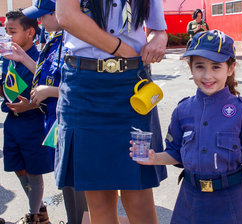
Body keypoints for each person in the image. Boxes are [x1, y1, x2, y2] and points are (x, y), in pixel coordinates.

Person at [130, 30, 242, 223]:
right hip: (190, 203)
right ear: (191, 68)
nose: (207, 75)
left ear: (230, 68)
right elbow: (176, 153)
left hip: (232, 204)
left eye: (216, 67)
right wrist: (153, 158)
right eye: (200, 66)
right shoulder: (183, 111)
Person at [55, 0, 168, 223]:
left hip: (132, 86)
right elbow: (66, 16)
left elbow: (157, 27)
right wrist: (123, 50)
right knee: (98, 198)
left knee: (140, 193)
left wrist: (159, 38)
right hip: (85, 86)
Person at [4, 1, 88, 223]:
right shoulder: (55, 40)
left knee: (79, 191)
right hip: (57, 122)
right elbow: (46, 75)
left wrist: (49, 90)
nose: (40, 21)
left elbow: (85, 87)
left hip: (73, 123)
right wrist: (24, 58)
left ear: (59, 12)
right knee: (68, 185)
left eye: (44, 15)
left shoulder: (78, 41)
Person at [0, 9, 53, 224]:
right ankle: (40, 209)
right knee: (19, 168)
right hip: (13, 122)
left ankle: (34, 216)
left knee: (33, 171)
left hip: (33, 123)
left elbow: (49, 89)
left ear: (30, 32)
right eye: (5, 31)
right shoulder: (7, 56)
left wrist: (29, 107)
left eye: (12, 31)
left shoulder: (40, 58)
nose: (7, 36)